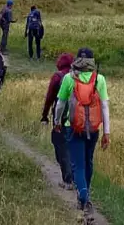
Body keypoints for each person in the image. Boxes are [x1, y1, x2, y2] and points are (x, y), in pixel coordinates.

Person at [53, 48, 110, 216]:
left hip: (73, 127)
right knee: (88, 161)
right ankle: (86, 194)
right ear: (92, 61)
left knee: (78, 164)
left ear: (77, 60)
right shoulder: (99, 79)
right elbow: (105, 107)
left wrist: (57, 122)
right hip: (93, 129)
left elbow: (60, 104)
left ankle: (83, 196)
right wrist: (107, 132)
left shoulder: (69, 78)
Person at [41, 53, 74, 190]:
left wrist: (44, 115)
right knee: (73, 147)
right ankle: (77, 180)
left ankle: (67, 180)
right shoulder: (78, 77)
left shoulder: (58, 77)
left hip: (61, 117)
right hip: (79, 118)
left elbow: (50, 98)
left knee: (60, 146)